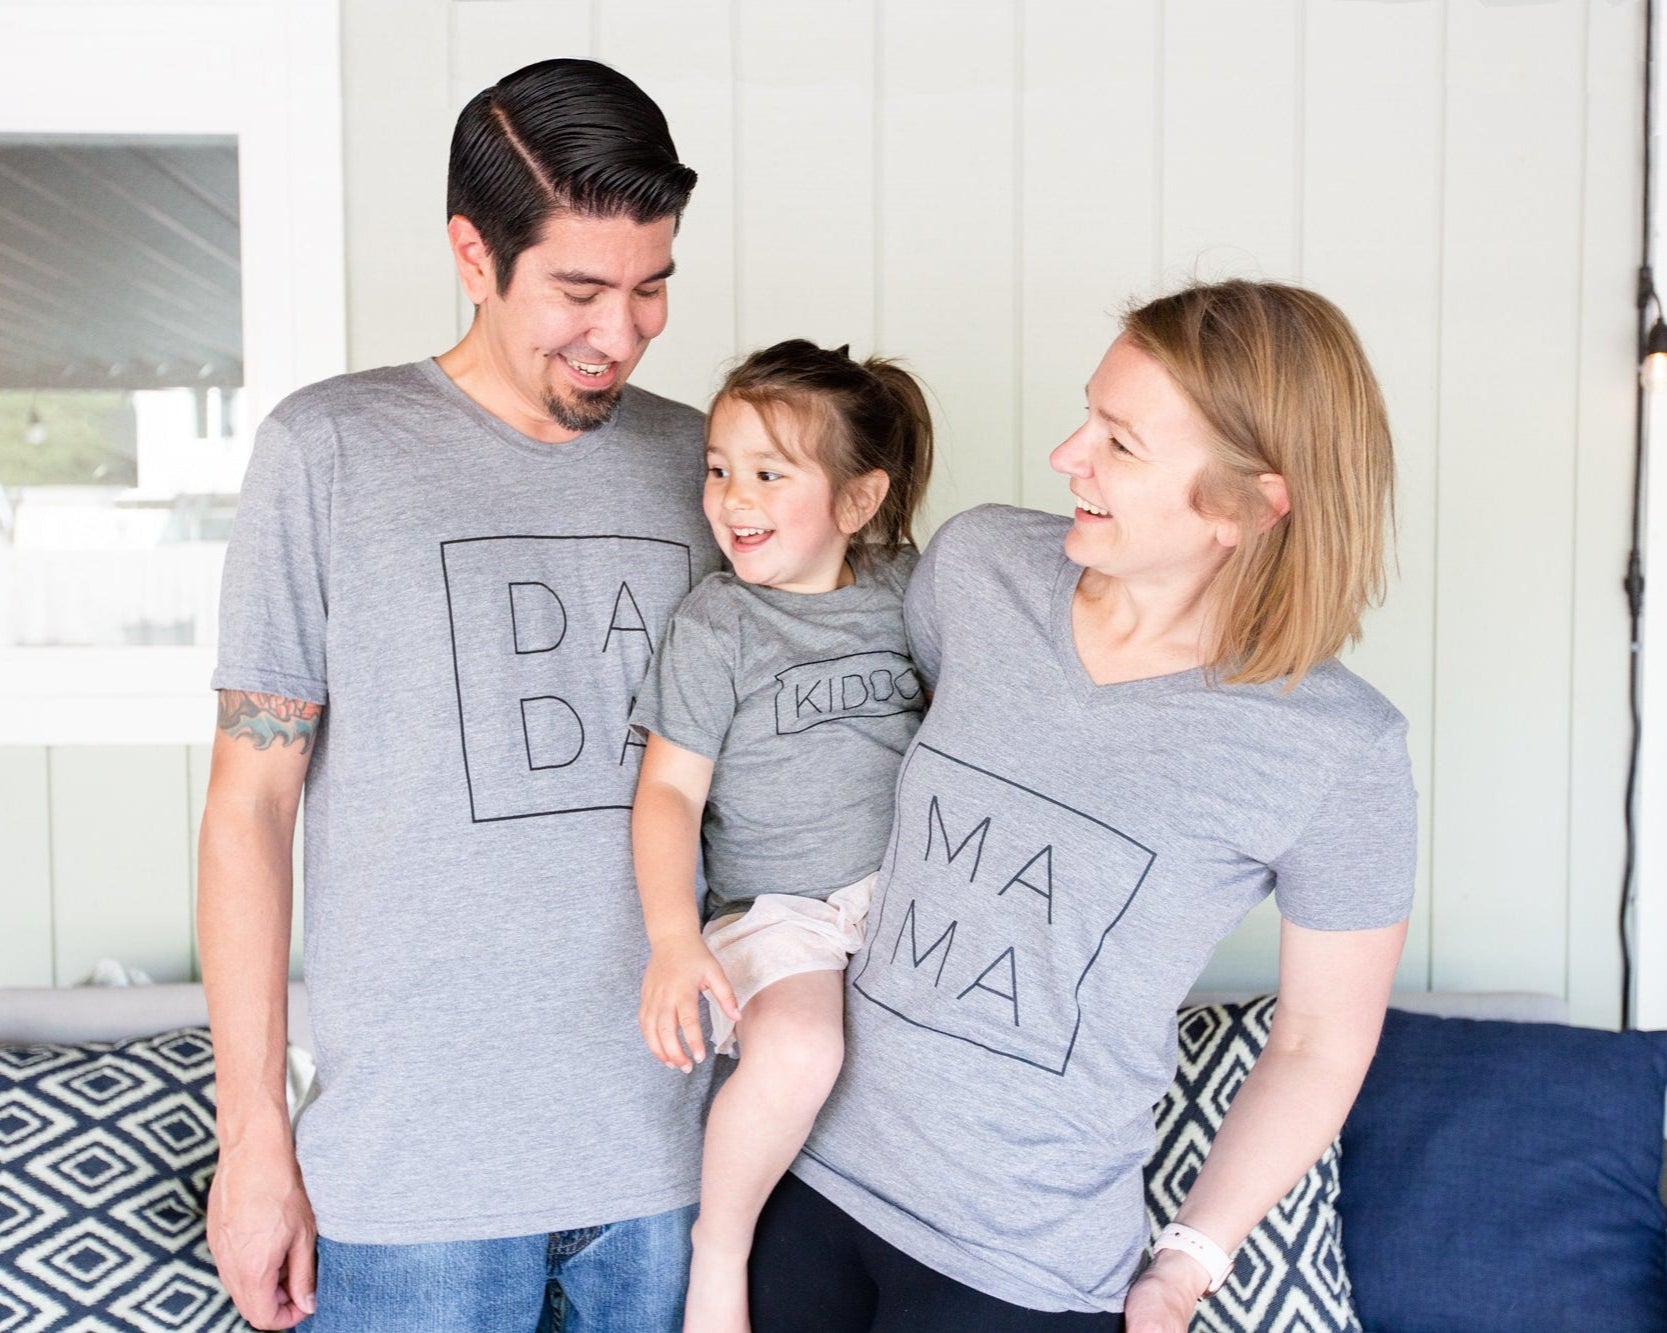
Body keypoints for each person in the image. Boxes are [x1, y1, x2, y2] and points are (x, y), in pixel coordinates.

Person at [747, 280, 1417, 1333]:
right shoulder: (975, 572)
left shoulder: (1336, 749)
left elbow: (1319, 1043)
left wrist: (1187, 1261)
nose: (1068, 455)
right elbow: (845, 744)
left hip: (1016, 1268)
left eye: (1120, 442)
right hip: (796, 1181)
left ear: (1248, 502)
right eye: (1086, 416)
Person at [198, 58, 721, 1332]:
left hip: (671, 1170)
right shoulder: (327, 451)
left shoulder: (711, 466)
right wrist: (254, 1134)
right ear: (472, 256)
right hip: (410, 1184)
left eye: (652, 288)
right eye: (580, 291)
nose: (620, 333)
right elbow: (251, 804)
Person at [628, 339, 935, 1333]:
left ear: (855, 501)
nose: (730, 496)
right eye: (718, 468)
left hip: (904, 899)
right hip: (782, 911)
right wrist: (674, 941)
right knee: (800, 1049)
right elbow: (669, 792)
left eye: (767, 472)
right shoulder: (717, 625)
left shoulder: (903, 590)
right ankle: (719, 1248)